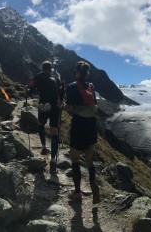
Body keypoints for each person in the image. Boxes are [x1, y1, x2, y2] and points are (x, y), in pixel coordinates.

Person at [63, 61, 101, 203]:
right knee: (90, 161)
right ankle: (94, 188)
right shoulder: (91, 86)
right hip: (91, 126)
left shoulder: (72, 87)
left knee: (75, 159)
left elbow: (69, 108)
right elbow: (94, 105)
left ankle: (77, 192)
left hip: (78, 126)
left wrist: (63, 107)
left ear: (77, 72)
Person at [26, 61, 62, 172]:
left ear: (42, 68)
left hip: (43, 105)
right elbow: (61, 94)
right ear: (51, 69)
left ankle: (43, 147)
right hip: (55, 107)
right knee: (54, 132)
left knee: (41, 124)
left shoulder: (38, 77)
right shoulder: (56, 79)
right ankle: (53, 161)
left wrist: (27, 92)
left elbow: (30, 91)